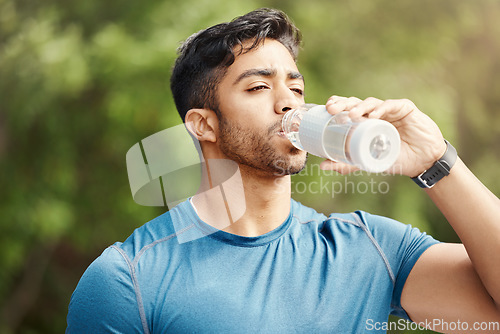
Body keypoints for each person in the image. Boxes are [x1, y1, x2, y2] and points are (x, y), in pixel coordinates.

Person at [66, 8, 500, 333]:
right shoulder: (129, 279)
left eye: (296, 86)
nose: (289, 102)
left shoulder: (368, 250)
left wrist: (435, 160)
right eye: (258, 87)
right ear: (203, 124)